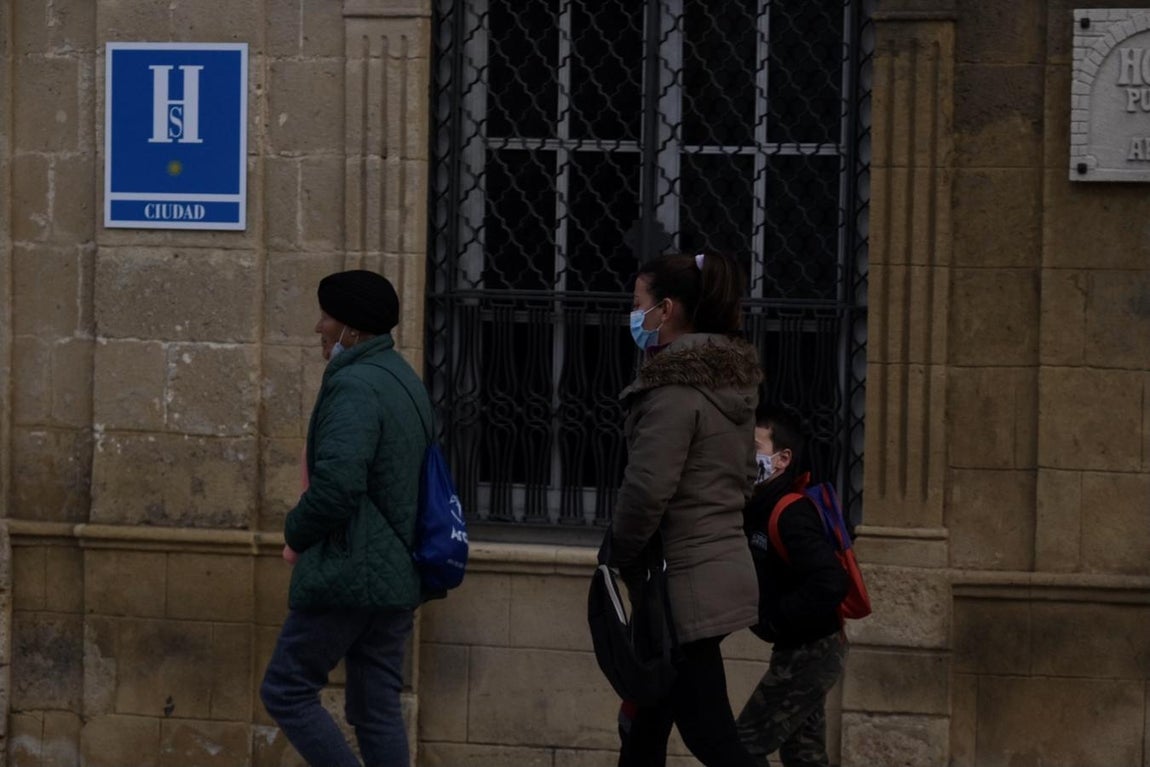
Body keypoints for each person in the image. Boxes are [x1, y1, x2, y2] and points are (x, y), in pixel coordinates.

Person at [260, 269, 431, 767]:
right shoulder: (402, 377)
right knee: (376, 705)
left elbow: (338, 486)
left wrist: (295, 531)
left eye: (327, 317)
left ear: (352, 328)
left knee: (286, 689)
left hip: (351, 569)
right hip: (396, 572)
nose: (319, 327)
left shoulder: (354, 384)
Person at [610, 251, 763, 767]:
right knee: (644, 728)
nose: (635, 316)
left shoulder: (674, 389)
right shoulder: (727, 382)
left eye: (639, 305)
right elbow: (745, 478)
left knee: (711, 738)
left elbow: (647, 489)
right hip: (711, 569)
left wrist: (621, 552)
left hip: (683, 584)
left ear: (667, 309)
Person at [736, 407, 849, 767]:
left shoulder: (790, 512)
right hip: (799, 648)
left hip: (812, 651)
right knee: (803, 754)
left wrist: (776, 620)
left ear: (782, 459)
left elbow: (831, 581)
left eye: (754, 447)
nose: (744, 456)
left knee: (743, 745)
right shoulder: (757, 505)